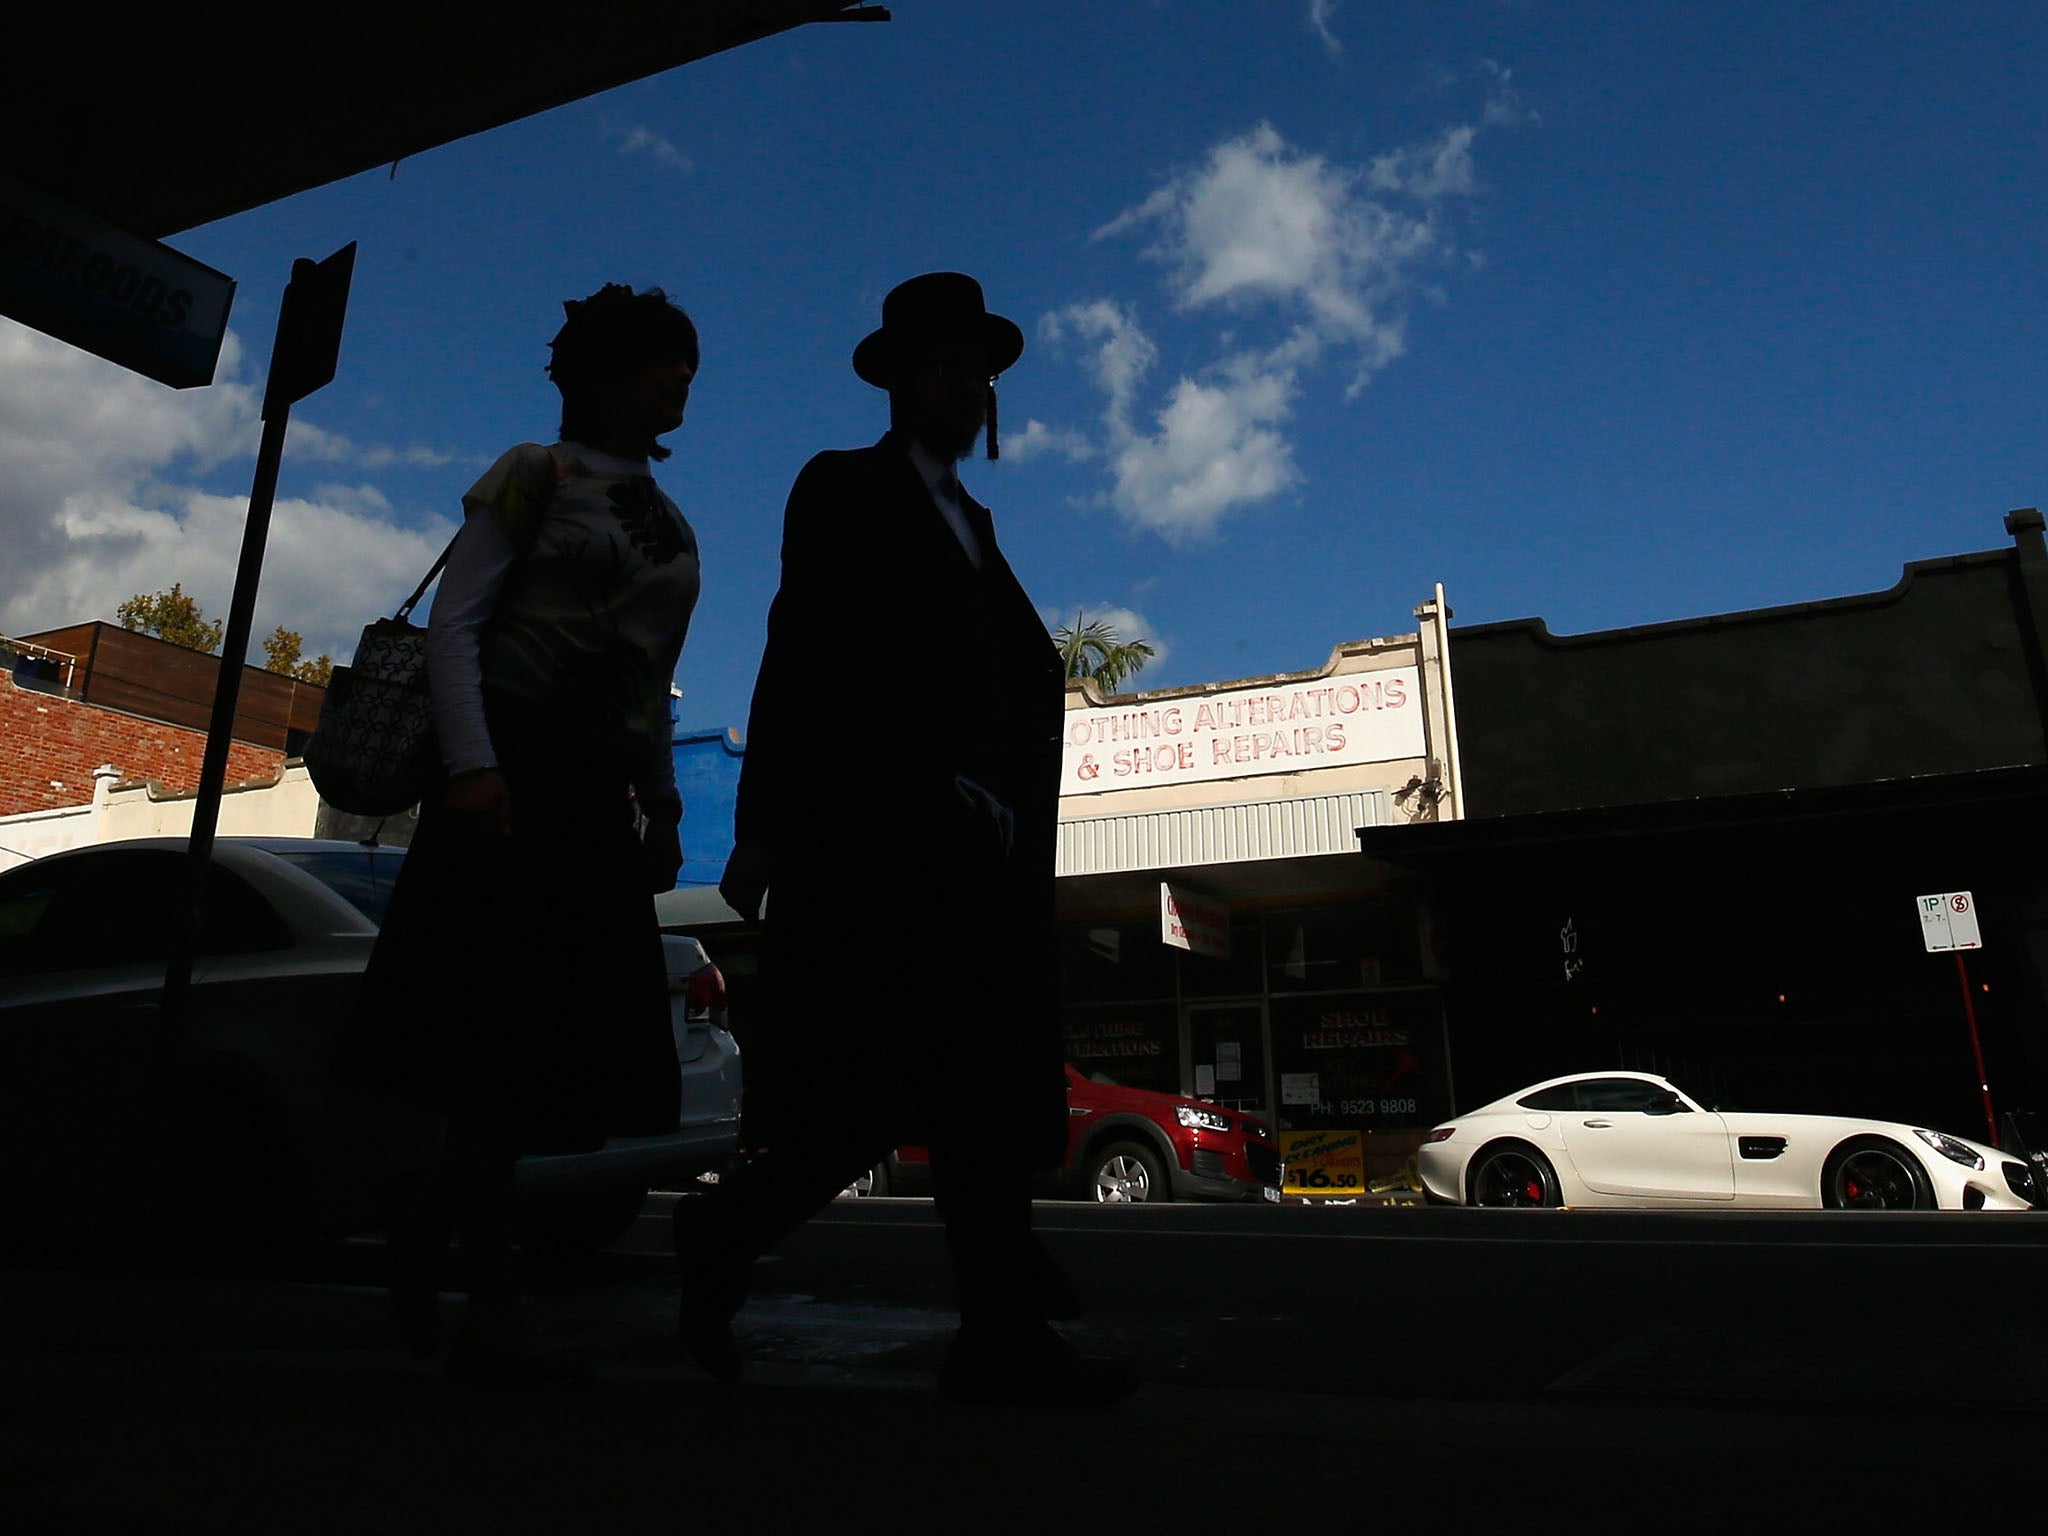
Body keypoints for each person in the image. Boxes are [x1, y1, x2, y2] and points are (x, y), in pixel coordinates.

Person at [676, 271, 1133, 1406]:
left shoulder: (972, 525)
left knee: (951, 1092)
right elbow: (802, 652)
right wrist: (764, 826)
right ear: (897, 383)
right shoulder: (842, 491)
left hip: (971, 867)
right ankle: (756, 1246)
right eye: (940, 368)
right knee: (897, 1094)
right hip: (880, 855)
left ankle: (988, 1326)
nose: (964, 389)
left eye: (976, 373)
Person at [346, 283, 703, 1384]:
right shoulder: (530, 476)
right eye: (659, 359)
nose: (679, 378)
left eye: (686, 362)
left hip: (595, 797)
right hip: (509, 787)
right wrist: (473, 769)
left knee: (560, 1061)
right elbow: (457, 625)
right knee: (500, 1057)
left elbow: (647, 678)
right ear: (603, 371)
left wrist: (664, 800)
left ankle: (429, 1216)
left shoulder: (670, 521)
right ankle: (492, 1301)